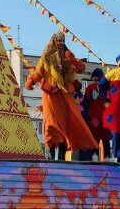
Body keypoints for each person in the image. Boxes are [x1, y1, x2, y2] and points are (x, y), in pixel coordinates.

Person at [23, 32, 97, 161]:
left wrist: (72, 59)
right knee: (51, 123)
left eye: (63, 40)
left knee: (66, 123)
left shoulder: (68, 56)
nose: (61, 43)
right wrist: (30, 82)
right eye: (58, 40)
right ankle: (52, 154)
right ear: (53, 41)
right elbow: (39, 73)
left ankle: (62, 154)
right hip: (50, 93)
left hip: (64, 94)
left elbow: (81, 68)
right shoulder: (46, 57)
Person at [78, 67, 111, 160]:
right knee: (105, 137)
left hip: (94, 118)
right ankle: (107, 157)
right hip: (105, 118)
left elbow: (85, 102)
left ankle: (94, 155)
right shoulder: (107, 89)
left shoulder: (91, 87)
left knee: (94, 136)